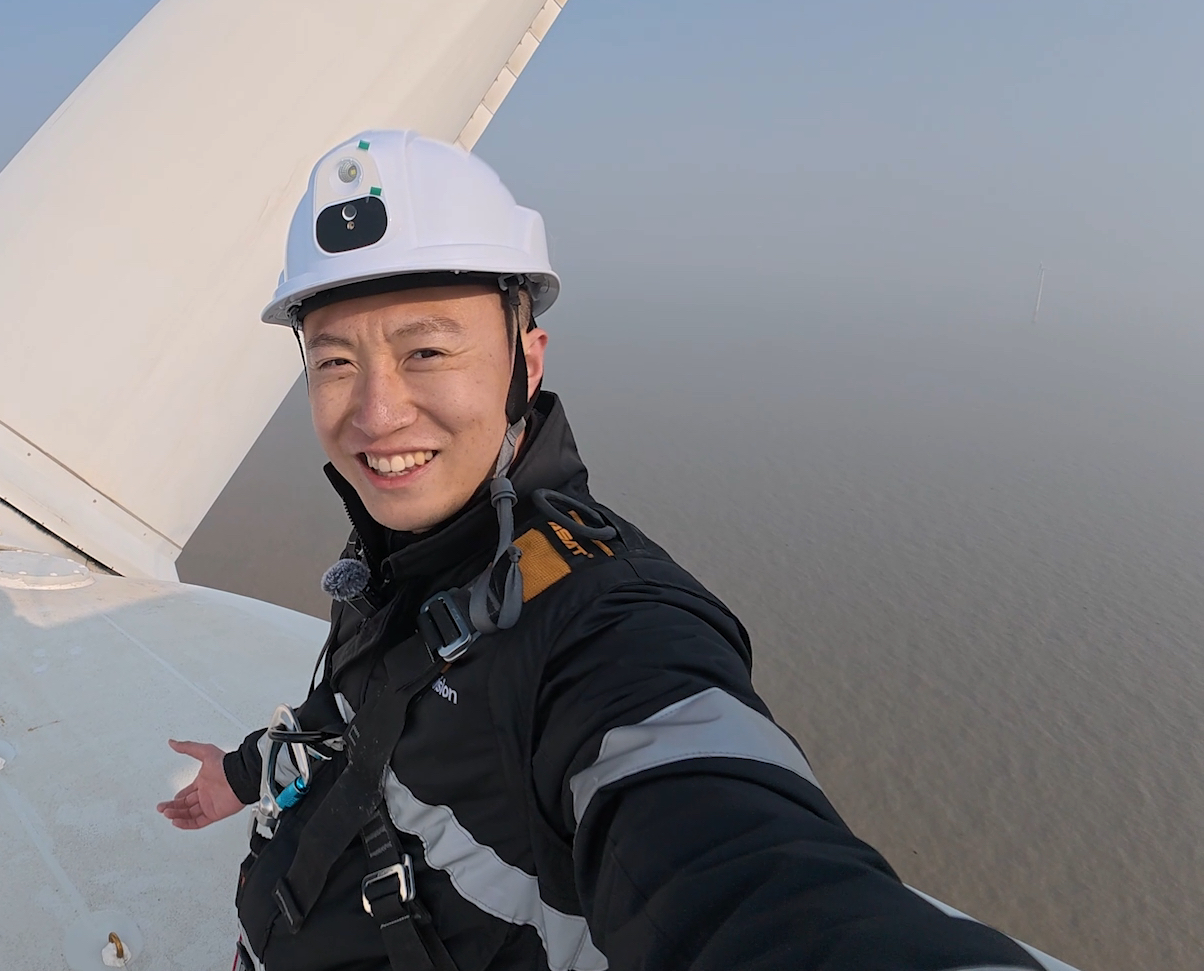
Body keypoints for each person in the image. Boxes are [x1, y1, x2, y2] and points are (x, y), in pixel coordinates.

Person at [157, 131, 1051, 971]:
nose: (376, 413)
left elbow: (741, 866)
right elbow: (364, 707)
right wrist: (242, 773)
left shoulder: (608, 624)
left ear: (527, 361)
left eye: (425, 350)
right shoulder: (403, 555)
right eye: (335, 363)